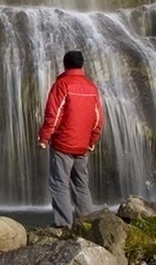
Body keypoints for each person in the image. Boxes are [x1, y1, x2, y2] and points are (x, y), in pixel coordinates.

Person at [37, 50, 104, 228]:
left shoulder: (62, 85)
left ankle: (63, 224)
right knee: (81, 185)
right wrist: (92, 141)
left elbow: (54, 114)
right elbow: (98, 119)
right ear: (82, 65)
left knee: (59, 184)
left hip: (63, 144)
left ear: (65, 64)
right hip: (83, 145)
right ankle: (88, 223)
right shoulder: (91, 87)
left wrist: (45, 137)